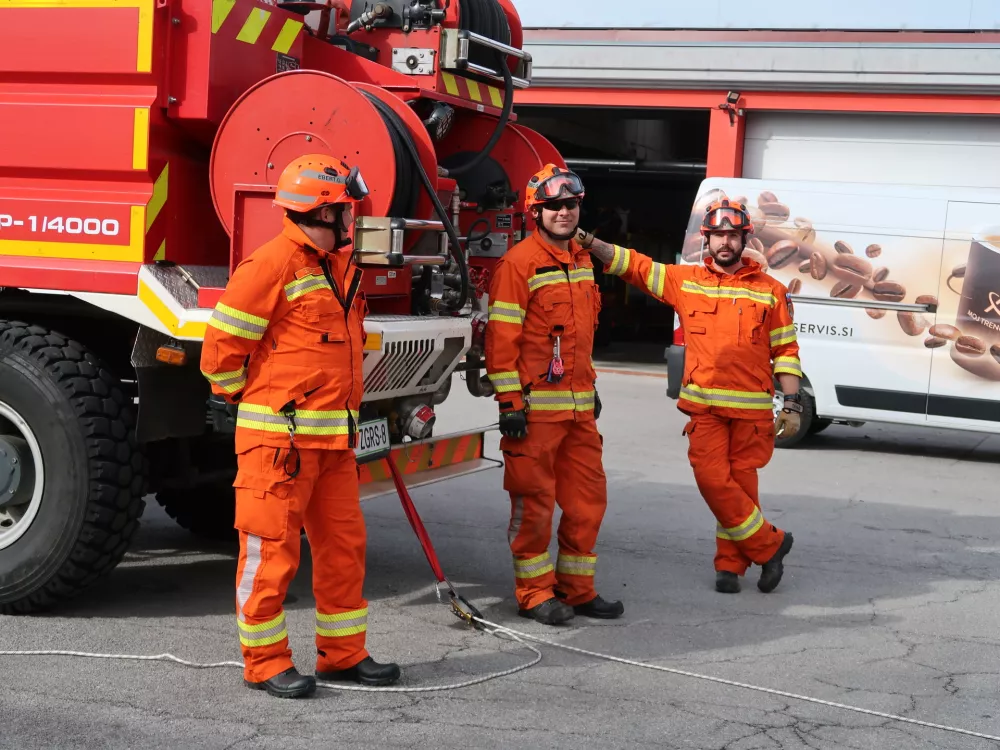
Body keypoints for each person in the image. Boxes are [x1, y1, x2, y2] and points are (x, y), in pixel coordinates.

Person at [200, 154, 400, 698]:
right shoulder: (269, 267)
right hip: (280, 445)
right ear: (320, 211)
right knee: (270, 554)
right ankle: (264, 663)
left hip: (333, 443)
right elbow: (221, 350)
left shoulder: (338, 268)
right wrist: (237, 398)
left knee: (343, 547)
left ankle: (343, 653)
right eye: (344, 211)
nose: (351, 221)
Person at [576, 199, 800, 594]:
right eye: (718, 236)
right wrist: (592, 243)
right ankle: (770, 544)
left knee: (742, 489)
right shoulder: (687, 281)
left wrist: (793, 404)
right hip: (706, 411)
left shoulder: (771, 292)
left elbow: (786, 352)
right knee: (714, 481)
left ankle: (730, 566)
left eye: (733, 235)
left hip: (752, 414)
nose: (725, 242)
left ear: (744, 238)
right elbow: (638, 267)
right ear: (707, 240)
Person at [484, 164, 624, 625]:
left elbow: (580, 336)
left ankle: (577, 590)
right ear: (535, 212)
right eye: (554, 206)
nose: (564, 212)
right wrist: (510, 403)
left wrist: (592, 386)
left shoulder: (582, 261)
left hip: (580, 411)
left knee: (588, 502)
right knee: (534, 506)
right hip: (534, 416)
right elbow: (502, 341)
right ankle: (534, 593)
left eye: (571, 204)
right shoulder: (519, 264)